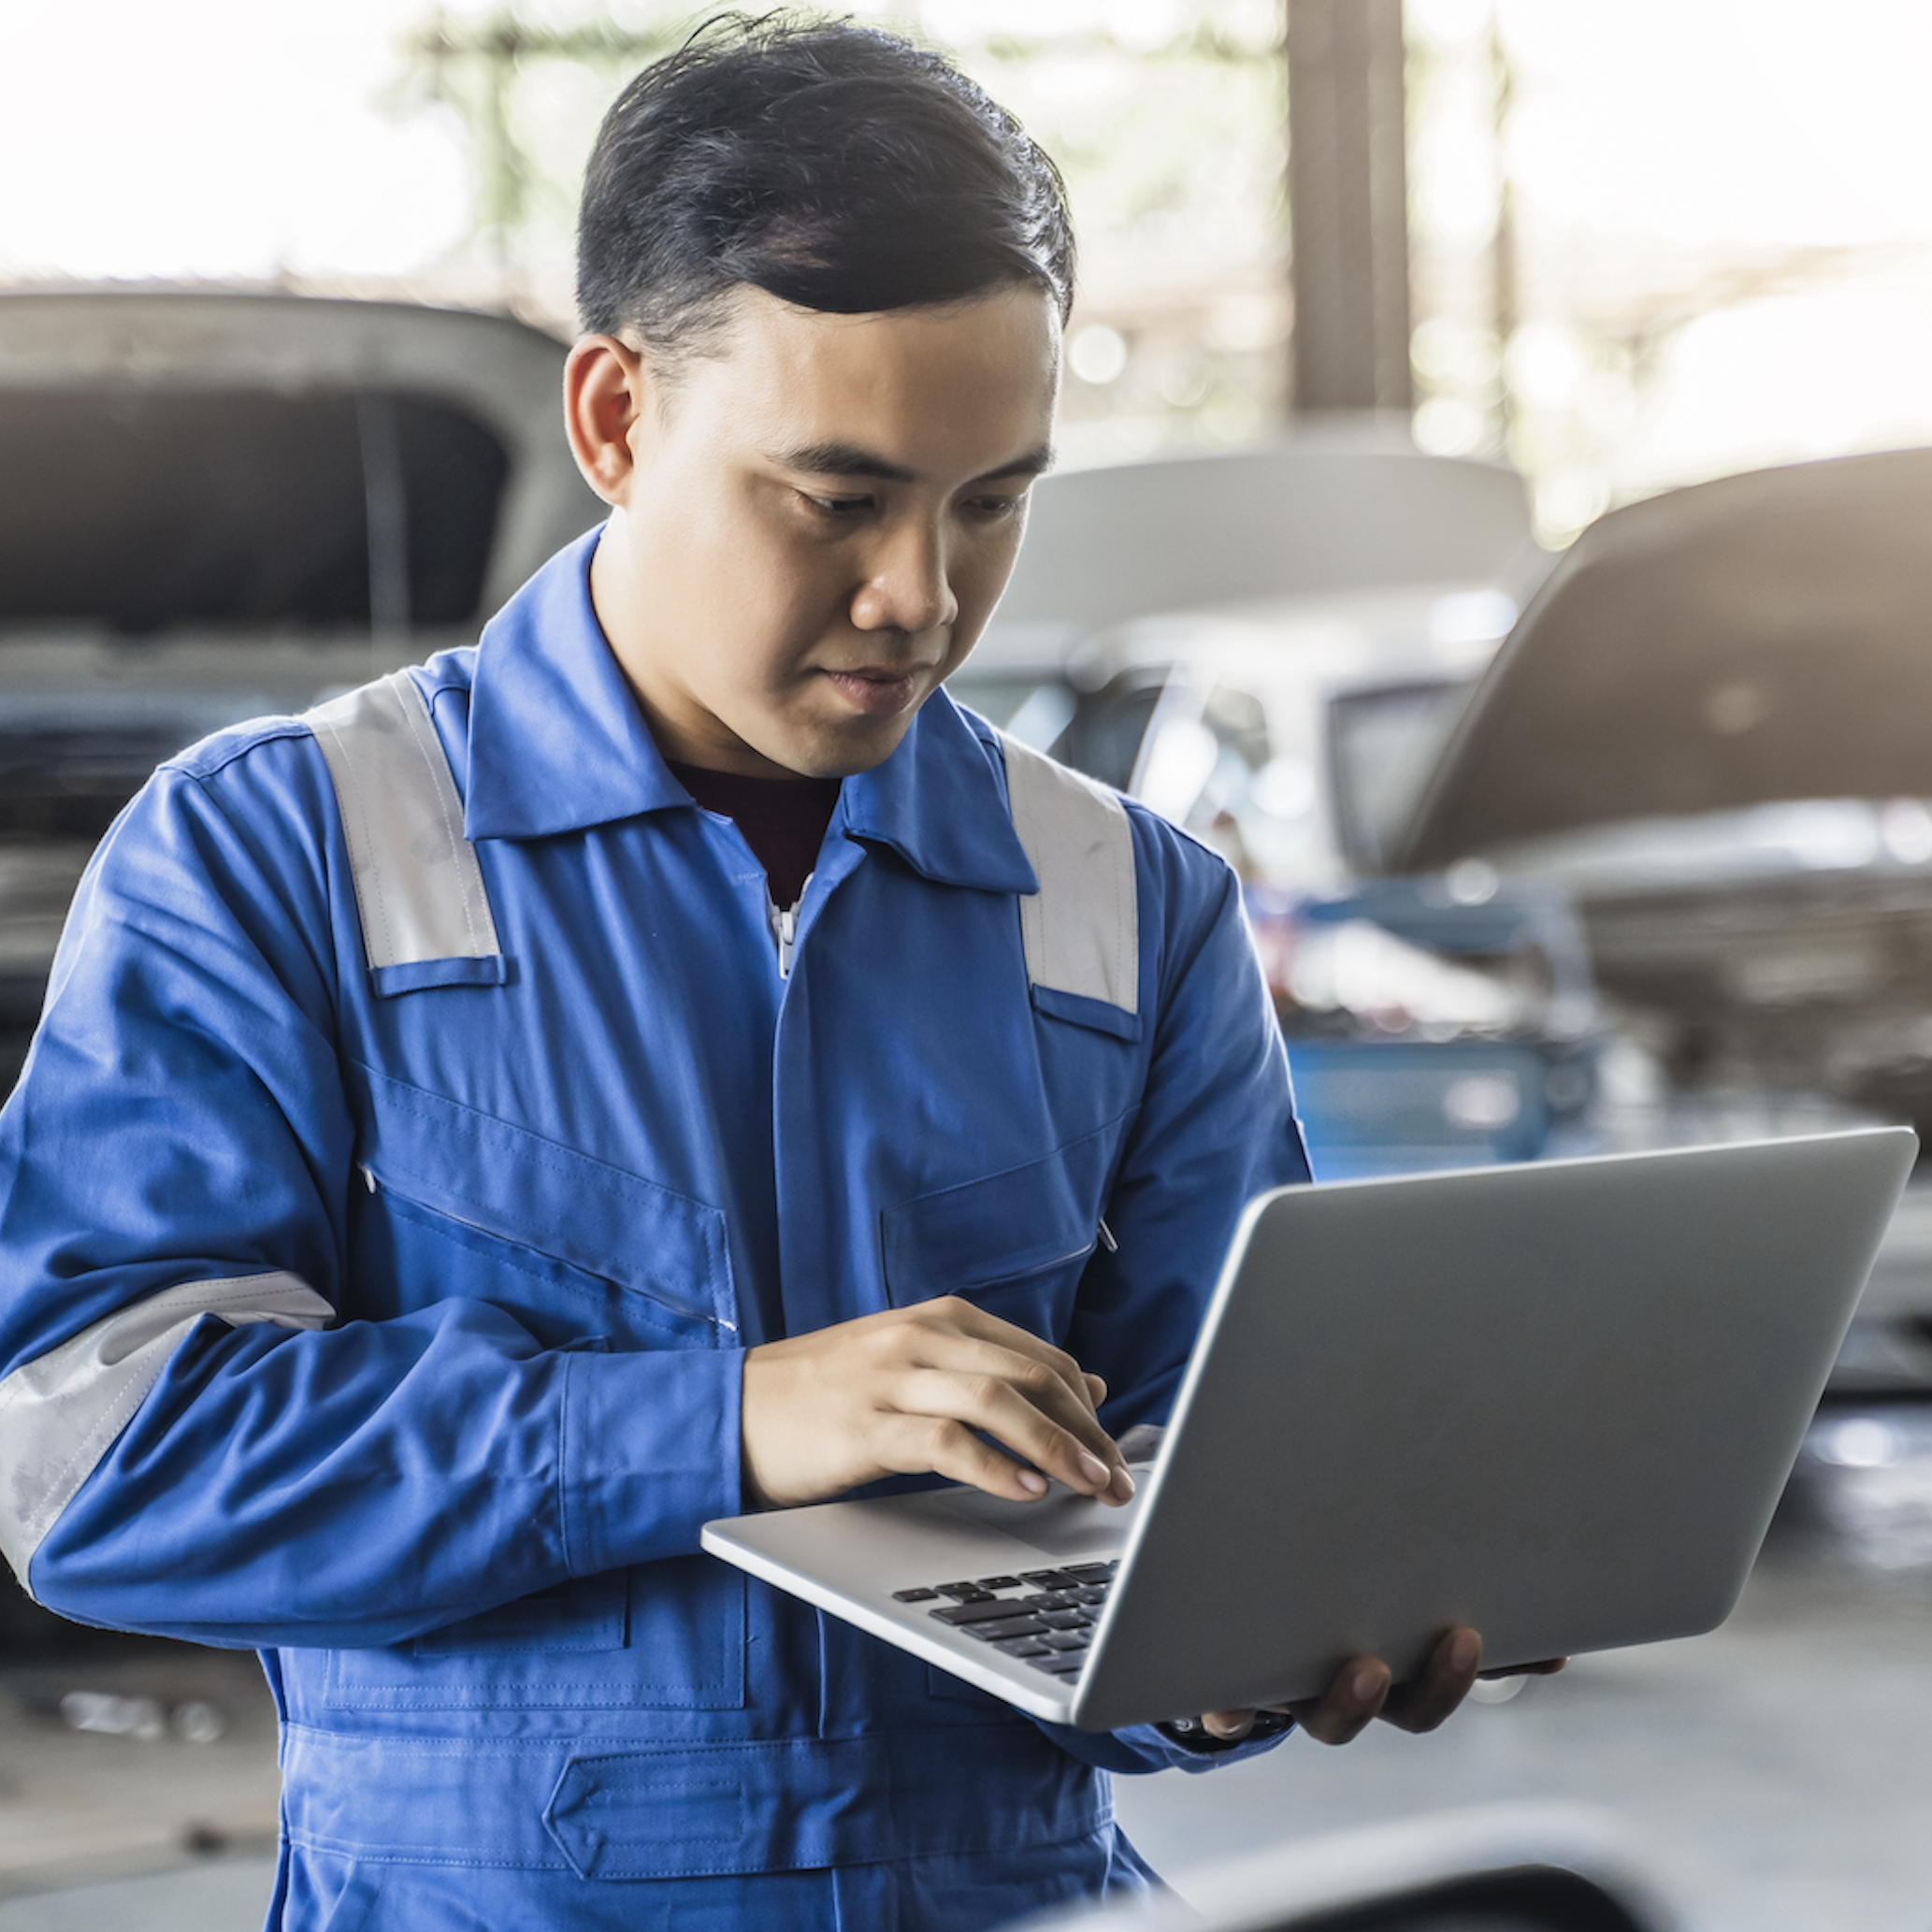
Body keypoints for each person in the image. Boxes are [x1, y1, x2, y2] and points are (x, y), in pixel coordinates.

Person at [0, 16, 1525, 1929]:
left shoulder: (1129, 902)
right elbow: (100, 1463)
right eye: (837, 497)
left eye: (990, 499)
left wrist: (1232, 1662)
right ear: (617, 420)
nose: (923, 595)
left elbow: (1197, 1479)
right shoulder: (278, 848)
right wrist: (725, 1420)